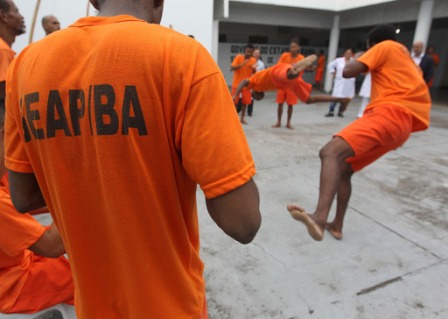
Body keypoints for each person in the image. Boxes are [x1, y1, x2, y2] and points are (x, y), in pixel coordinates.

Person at [4, 0, 262, 318]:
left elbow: (24, 195)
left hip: (92, 306)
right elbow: (243, 221)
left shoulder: (25, 65)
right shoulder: (183, 57)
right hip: (172, 305)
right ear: (158, 1)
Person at [287, 24, 431, 241]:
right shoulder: (409, 60)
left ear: (372, 44)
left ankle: (319, 217)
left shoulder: (385, 46)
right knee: (345, 170)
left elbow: (348, 71)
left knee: (330, 153)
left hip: (389, 113)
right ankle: (336, 225)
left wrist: (364, 54)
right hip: (403, 127)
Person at [0, 107, 74, 315]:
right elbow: (52, 246)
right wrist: (81, 202)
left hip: (21, 262)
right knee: (96, 275)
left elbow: (23, 203)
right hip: (13, 284)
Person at [232, 55, 350, 108]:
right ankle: (341, 99)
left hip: (277, 72)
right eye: (258, 99)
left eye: (256, 97)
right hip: (286, 82)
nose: (257, 98)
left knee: (285, 74)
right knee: (308, 100)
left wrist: (235, 96)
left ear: (254, 92)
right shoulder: (264, 88)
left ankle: (293, 71)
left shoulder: (253, 83)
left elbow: (243, 82)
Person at [273, 38, 304, 129]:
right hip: (282, 83)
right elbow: (279, 66)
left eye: (294, 47)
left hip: (292, 85)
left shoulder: (301, 58)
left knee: (290, 104)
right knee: (280, 103)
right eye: (291, 47)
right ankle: (278, 122)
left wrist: (295, 67)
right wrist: (291, 66)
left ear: (298, 48)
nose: (292, 49)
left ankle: (288, 123)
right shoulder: (284, 55)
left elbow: (301, 69)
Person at [0, 0, 25, 100]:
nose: (21, 17)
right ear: (3, 15)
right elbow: (5, 94)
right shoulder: (2, 50)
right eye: (16, 11)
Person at [324, 48, 355, 117]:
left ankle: (340, 112)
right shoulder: (339, 60)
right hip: (339, 81)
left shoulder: (354, 61)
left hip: (349, 83)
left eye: (349, 53)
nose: (348, 55)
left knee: (345, 98)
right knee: (335, 97)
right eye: (346, 53)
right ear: (344, 54)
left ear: (352, 54)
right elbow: (330, 65)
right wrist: (333, 72)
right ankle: (331, 111)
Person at [231, 43, 256, 124]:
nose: (248, 53)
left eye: (250, 52)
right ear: (245, 50)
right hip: (236, 83)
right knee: (234, 101)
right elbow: (232, 68)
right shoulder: (239, 57)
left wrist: (254, 69)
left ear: (252, 53)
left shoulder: (253, 60)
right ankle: (233, 119)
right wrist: (242, 64)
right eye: (247, 51)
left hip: (246, 84)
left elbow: (254, 72)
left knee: (245, 102)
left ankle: (242, 118)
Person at [247, 47, 265, 117]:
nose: (256, 54)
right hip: (248, 79)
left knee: (252, 96)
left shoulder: (261, 64)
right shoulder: (249, 61)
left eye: (258, 53)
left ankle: (250, 111)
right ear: (253, 54)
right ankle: (239, 109)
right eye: (255, 53)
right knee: (244, 95)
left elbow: (262, 73)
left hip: (255, 80)